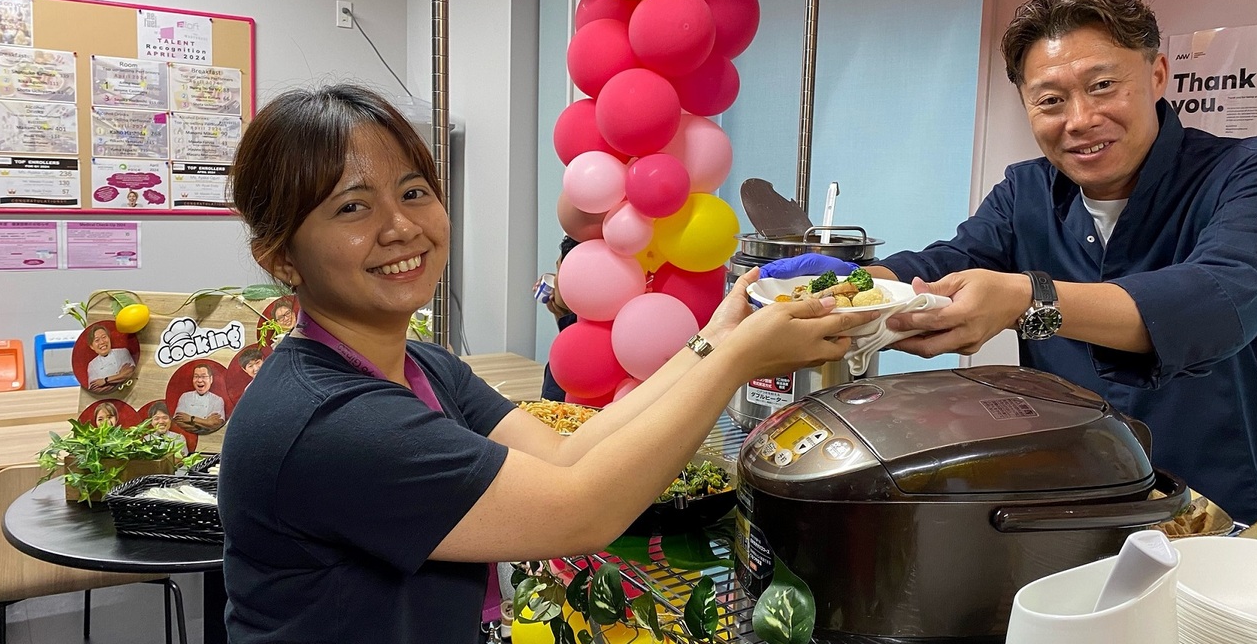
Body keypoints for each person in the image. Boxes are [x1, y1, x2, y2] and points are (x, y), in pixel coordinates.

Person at [218, 84, 875, 644]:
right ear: (280, 257)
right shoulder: (331, 421)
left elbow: (567, 455)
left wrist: (715, 335)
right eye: (352, 207)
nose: (401, 227)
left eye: (414, 192)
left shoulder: (422, 368)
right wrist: (736, 360)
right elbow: (578, 511)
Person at [855, 0, 1257, 525]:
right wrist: (847, 285)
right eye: (1051, 100)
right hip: (1067, 507)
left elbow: (1219, 301)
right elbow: (948, 262)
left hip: (1221, 517)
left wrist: (1027, 300)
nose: (1079, 120)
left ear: (1157, 75)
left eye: (1102, 86)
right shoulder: (1026, 192)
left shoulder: (1249, 174)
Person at [540, 235, 579, 402]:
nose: (554, 279)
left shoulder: (571, 358)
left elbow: (552, 405)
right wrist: (560, 314)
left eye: (558, 270)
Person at [173, 363, 226, 435]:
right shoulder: (185, 397)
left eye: (204, 376)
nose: (200, 380)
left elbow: (216, 424)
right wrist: (207, 423)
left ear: (211, 379)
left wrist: (190, 419)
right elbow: (178, 422)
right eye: (196, 376)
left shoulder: (218, 400)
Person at [84, 324, 135, 393]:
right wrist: (120, 377)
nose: (102, 342)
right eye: (97, 340)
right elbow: (95, 390)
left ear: (109, 338)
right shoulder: (92, 365)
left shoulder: (123, 352)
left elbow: (130, 373)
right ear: (92, 347)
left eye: (104, 337)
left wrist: (105, 381)